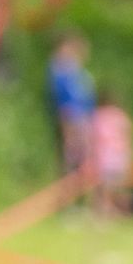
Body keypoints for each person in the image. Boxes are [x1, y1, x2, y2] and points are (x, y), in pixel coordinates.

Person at [44, 32, 96, 173]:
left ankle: (80, 177)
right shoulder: (61, 66)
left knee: (84, 148)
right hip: (69, 110)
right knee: (71, 147)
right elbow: (62, 91)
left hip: (82, 112)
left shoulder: (76, 69)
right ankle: (69, 178)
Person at [89, 92, 133, 217]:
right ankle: (122, 211)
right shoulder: (120, 115)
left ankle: (104, 213)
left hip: (105, 156)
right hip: (120, 155)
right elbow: (128, 135)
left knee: (103, 189)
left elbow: (94, 138)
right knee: (118, 187)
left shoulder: (98, 116)